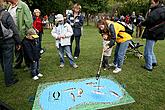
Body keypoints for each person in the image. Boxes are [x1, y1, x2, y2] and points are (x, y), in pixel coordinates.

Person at [6, 0, 33, 69]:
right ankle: (18, 63)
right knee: (17, 49)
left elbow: (29, 20)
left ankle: (29, 64)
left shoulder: (23, 5)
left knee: (25, 49)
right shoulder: (9, 6)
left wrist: (27, 32)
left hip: (22, 32)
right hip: (13, 32)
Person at [0, 2, 21, 87]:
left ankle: (8, 74)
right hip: (7, 40)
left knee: (2, 60)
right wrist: (18, 42)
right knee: (8, 61)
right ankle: (9, 80)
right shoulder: (5, 14)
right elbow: (14, 28)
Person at [141, 0, 165, 71]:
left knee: (147, 51)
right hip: (158, 32)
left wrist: (142, 23)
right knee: (150, 49)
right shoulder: (162, 9)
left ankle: (149, 66)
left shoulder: (157, 11)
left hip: (153, 32)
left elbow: (149, 20)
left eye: (152, 3)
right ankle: (153, 62)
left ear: (157, 2)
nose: (150, 4)